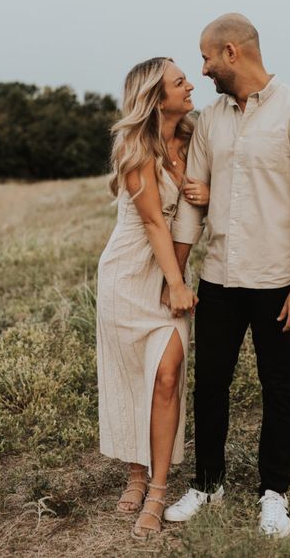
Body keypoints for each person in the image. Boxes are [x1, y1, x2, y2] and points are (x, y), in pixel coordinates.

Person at [162, 14, 290, 538]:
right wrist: (177, 272)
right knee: (211, 384)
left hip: (278, 283)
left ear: (232, 52)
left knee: (278, 387)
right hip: (219, 278)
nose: (203, 68)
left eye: (206, 57)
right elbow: (194, 201)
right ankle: (208, 484)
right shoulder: (212, 120)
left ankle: (274, 493)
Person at [96, 57, 209, 540]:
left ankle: (158, 488)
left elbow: (204, 202)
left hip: (167, 269)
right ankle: (136, 473)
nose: (190, 86)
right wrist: (177, 282)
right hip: (129, 272)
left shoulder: (194, 137)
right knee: (130, 376)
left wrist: (206, 191)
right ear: (155, 97)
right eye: (179, 82)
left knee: (166, 375)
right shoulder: (134, 143)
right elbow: (152, 222)